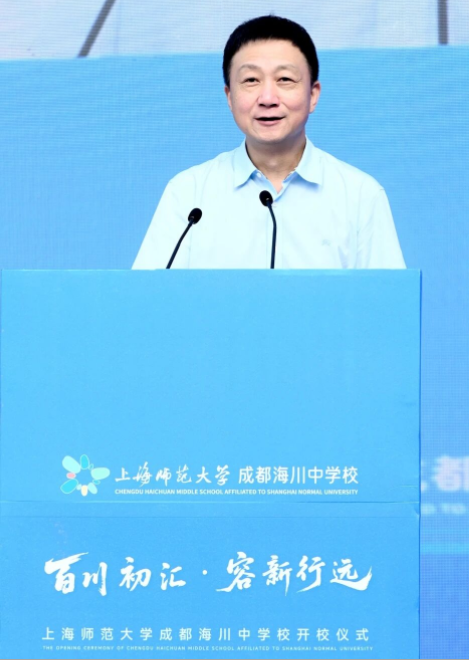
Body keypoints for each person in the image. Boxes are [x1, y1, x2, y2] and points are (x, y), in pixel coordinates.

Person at [133, 15, 405, 270]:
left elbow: (389, 301)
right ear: (229, 96)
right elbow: (145, 297)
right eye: (251, 80)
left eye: (284, 79)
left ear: (313, 95)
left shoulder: (359, 196)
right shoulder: (188, 194)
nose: (267, 98)